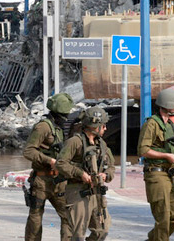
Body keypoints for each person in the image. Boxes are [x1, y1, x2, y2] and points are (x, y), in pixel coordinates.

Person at [23, 93, 74, 241]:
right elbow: (28, 151)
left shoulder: (58, 127)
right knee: (35, 218)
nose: (65, 118)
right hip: (41, 180)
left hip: (58, 180)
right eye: (64, 114)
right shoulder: (43, 127)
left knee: (68, 216)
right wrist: (49, 160)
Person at [57, 106, 114, 241]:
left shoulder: (102, 144)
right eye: (103, 125)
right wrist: (80, 173)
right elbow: (61, 163)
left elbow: (111, 165)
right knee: (78, 234)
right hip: (78, 192)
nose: (105, 128)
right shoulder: (75, 142)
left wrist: (106, 175)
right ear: (94, 126)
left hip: (97, 193)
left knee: (102, 231)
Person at [138, 88, 174, 241]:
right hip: (156, 174)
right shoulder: (151, 124)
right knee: (163, 218)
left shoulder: (170, 125)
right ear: (169, 104)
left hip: (170, 174)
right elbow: (143, 150)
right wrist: (165, 155)